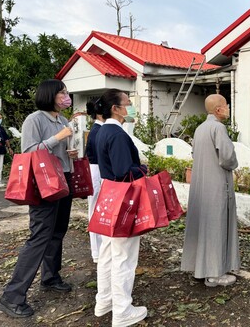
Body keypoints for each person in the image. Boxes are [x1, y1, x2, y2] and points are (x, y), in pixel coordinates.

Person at [0, 79, 77, 318]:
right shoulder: (35, 119)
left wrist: (69, 150)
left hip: (64, 178)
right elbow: (29, 152)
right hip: (44, 182)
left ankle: (50, 277)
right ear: (50, 95)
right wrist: (59, 137)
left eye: (66, 92)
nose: (66, 96)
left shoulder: (62, 120)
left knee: (58, 231)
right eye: (62, 92)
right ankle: (11, 296)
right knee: (40, 235)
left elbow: (60, 150)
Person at [94, 88, 148, 327]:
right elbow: (123, 170)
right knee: (124, 256)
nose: (131, 106)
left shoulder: (103, 131)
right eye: (128, 102)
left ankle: (104, 300)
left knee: (108, 252)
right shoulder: (116, 134)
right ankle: (122, 311)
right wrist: (143, 169)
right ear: (115, 108)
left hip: (108, 194)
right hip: (122, 196)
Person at [180, 94, 239, 287]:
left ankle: (200, 268)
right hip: (216, 184)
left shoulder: (200, 128)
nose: (228, 108)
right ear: (219, 110)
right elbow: (227, 158)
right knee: (216, 226)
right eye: (226, 105)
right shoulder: (218, 128)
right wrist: (234, 163)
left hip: (201, 184)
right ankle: (214, 274)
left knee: (203, 226)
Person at [85, 99, 104, 264]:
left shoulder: (99, 129)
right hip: (96, 171)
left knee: (98, 209)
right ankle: (97, 251)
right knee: (95, 210)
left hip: (97, 171)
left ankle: (99, 249)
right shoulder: (98, 131)